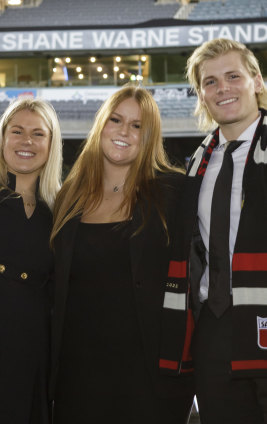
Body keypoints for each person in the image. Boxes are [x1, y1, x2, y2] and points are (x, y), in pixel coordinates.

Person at [49, 84, 194, 424]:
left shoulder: (173, 192)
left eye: (137, 125)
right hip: (77, 372)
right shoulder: (69, 195)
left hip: (148, 375)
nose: (124, 132)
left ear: (149, 136)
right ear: (101, 124)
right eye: (116, 120)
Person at [160, 38, 267, 424]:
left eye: (233, 76)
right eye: (210, 82)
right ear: (201, 95)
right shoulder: (196, 164)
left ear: (256, 81)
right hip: (215, 326)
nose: (222, 88)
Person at [0, 97, 62, 424]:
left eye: (38, 133)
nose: (26, 141)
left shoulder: (63, 210)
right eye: (16, 131)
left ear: (51, 143)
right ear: (2, 139)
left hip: (33, 354)